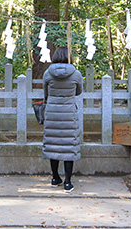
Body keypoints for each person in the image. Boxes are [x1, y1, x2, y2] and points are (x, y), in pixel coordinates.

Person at [42, 46, 83, 193]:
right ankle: (68, 182)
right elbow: (79, 91)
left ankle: (55, 178)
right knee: (68, 146)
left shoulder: (48, 73)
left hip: (52, 112)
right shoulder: (76, 74)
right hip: (68, 112)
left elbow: (45, 93)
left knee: (53, 144)